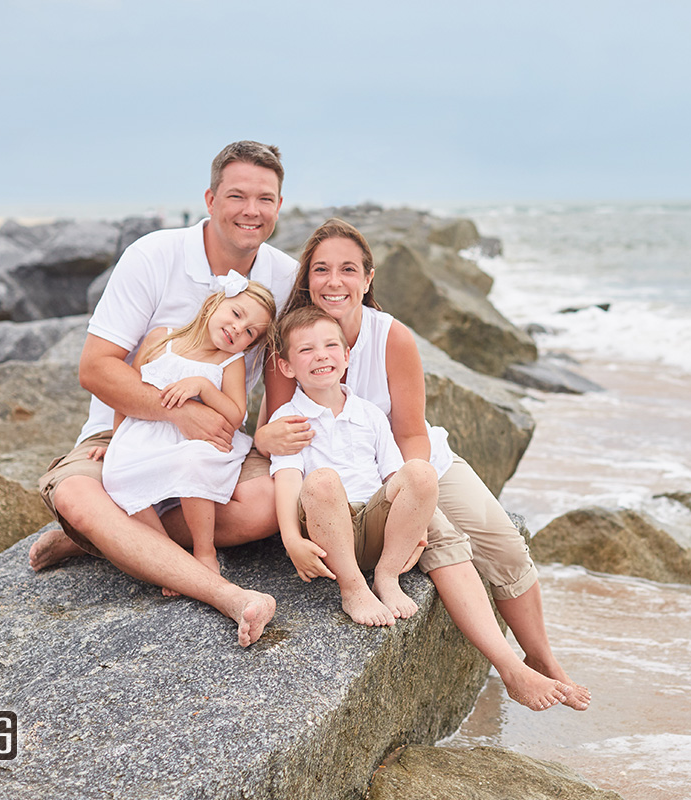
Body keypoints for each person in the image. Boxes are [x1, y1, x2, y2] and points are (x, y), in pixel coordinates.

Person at [256, 218, 591, 708]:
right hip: (344, 481)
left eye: (348, 269)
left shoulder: (391, 337)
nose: (334, 281)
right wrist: (266, 437)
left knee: (503, 545)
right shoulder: (293, 341)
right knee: (443, 542)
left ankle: (542, 660)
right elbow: (278, 431)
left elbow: (411, 434)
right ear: (306, 278)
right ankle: (508, 665)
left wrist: (410, 509)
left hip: (412, 461)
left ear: (368, 279)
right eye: (321, 269)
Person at [29, 140, 297, 647]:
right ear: (211, 199)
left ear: (279, 206)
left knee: (268, 502)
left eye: (265, 198)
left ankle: (102, 541)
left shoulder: (284, 277)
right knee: (78, 496)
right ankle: (226, 595)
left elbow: (292, 371)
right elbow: (96, 368)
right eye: (237, 195)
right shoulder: (153, 255)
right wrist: (176, 415)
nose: (251, 210)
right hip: (126, 425)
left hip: (214, 441)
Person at [100, 279, 277, 582]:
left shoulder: (230, 361)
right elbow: (127, 396)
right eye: (236, 314)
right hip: (145, 435)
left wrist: (204, 387)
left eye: (250, 331)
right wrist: (115, 442)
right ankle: (165, 553)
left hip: (197, 441)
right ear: (212, 305)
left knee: (192, 463)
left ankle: (203, 550)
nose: (238, 328)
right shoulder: (161, 338)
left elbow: (235, 415)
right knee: (115, 476)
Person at [269, 306, 434, 626]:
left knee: (421, 472)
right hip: (327, 531)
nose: (321, 356)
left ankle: (385, 577)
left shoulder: (369, 413)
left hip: (378, 529)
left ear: (346, 356)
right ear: (286, 366)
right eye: (306, 349)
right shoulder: (288, 421)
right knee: (321, 480)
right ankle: (353, 588)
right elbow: (287, 481)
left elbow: (394, 476)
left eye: (330, 346)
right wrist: (291, 540)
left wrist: (419, 523)